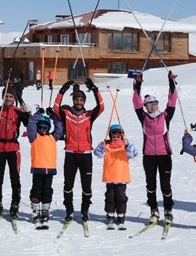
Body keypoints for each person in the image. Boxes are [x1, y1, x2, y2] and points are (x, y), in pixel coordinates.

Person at [51, 78, 104, 224]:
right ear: (73, 100)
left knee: (86, 186)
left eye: (81, 100)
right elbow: (56, 107)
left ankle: (85, 210)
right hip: (71, 154)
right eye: (76, 99)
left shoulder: (89, 115)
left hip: (86, 155)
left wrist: (94, 89)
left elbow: (102, 106)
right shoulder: (67, 114)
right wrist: (64, 88)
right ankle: (69, 210)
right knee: (68, 184)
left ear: (84, 101)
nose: (78, 102)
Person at [133, 71, 179, 224]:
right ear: (146, 107)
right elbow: (136, 102)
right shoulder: (143, 117)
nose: (154, 106)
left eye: (155, 103)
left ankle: (168, 210)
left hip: (165, 155)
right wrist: (137, 85)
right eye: (150, 104)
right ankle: (153, 210)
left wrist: (171, 82)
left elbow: (172, 100)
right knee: (151, 185)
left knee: (165, 186)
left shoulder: (165, 116)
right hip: (149, 157)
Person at [0, 90, 30, 219]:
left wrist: (28, 113)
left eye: (10, 96)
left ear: (14, 98)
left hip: (13, 148)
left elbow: (28, 124)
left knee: (15, 178)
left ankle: (15, 203)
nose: (8, 99)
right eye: (6, 96)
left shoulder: (18, 111)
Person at [93, 124, 138, 230]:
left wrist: (129, 144)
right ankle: (110, 216)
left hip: (121, 178)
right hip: (110, 178)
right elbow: (97, 154)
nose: (116, 138)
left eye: (118, 136)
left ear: (122, 136)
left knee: (121, 198)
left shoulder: (125, 147)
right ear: (110, 136)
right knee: (110, 198)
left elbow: (134, 154)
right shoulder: (107, 146)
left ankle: (121, 216)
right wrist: (101, 146)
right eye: (114, 137)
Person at [26, 107, 64, 227]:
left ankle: (45, 211)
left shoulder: (53, 137)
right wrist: (38, 114)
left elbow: (59, 126)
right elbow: (31, 123)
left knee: (47, 191)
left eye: (45, 126)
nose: (43, 129)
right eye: (41, 126)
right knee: (36, 190)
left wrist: (52, 115)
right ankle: (36, 211)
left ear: (48, 127)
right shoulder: (34, 137)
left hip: (50, 169)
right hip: (38, 168)